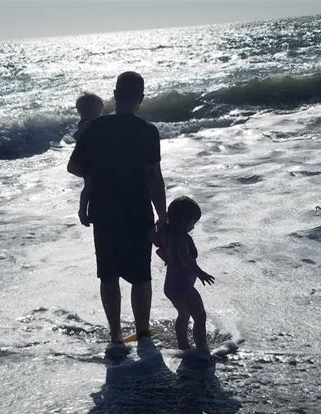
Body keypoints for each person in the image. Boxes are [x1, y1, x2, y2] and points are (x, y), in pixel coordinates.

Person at [67, 71, 167, 351]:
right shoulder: (147, 131)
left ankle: (115, 336)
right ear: (141, 98)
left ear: (114, 95)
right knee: (141, 274)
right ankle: (143, 333)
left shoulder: (95, 128)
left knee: (108, 274)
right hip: (137, 208)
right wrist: (162, 216)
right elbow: (153, 176)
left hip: (104, 208)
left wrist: (98, 176)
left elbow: (73, 167)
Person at [154, 196, 215, 357]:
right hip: (183, 287)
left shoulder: (167, 233)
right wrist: (200, 273)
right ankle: (202, 350)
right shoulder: (180, 237)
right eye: (192, 223)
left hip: (171, 286)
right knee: (200, 317)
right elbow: (184, 257)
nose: (193, 227)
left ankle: (183, 346)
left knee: (183, 314)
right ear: (183, 221)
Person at [73, 92, 104, 226]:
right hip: (89, 161)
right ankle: (82, 211)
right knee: (89, 186)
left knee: (89, 186)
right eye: (99, 111)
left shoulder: (88, 122)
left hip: (90, 159)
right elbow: (77, 136)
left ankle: (83, 210)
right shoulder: (87, 123)